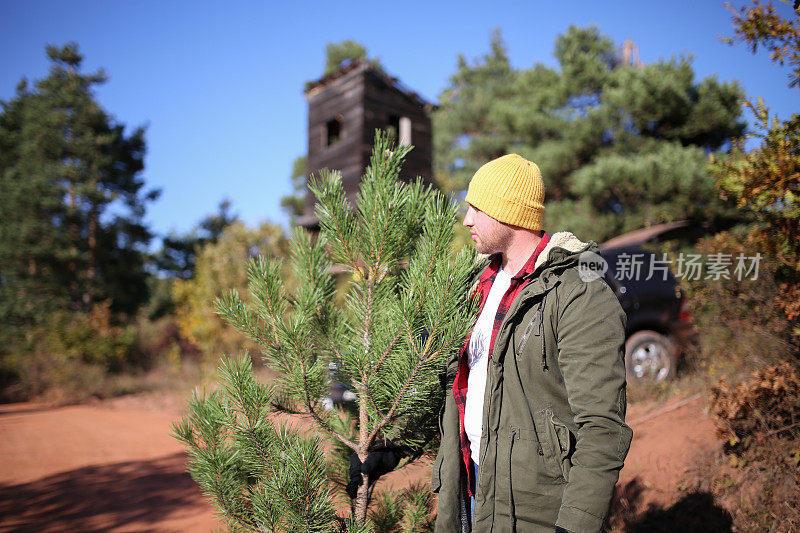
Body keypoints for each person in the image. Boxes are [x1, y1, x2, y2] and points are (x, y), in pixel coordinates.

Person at [431, 154, 632, 533]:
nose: (467, 219)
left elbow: (603, 429)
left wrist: (573, 526)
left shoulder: (579, 292)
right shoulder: (476, 288)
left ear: (509, 213)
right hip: (475, 493)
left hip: (539, 513)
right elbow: (458, 397)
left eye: (477, 207)